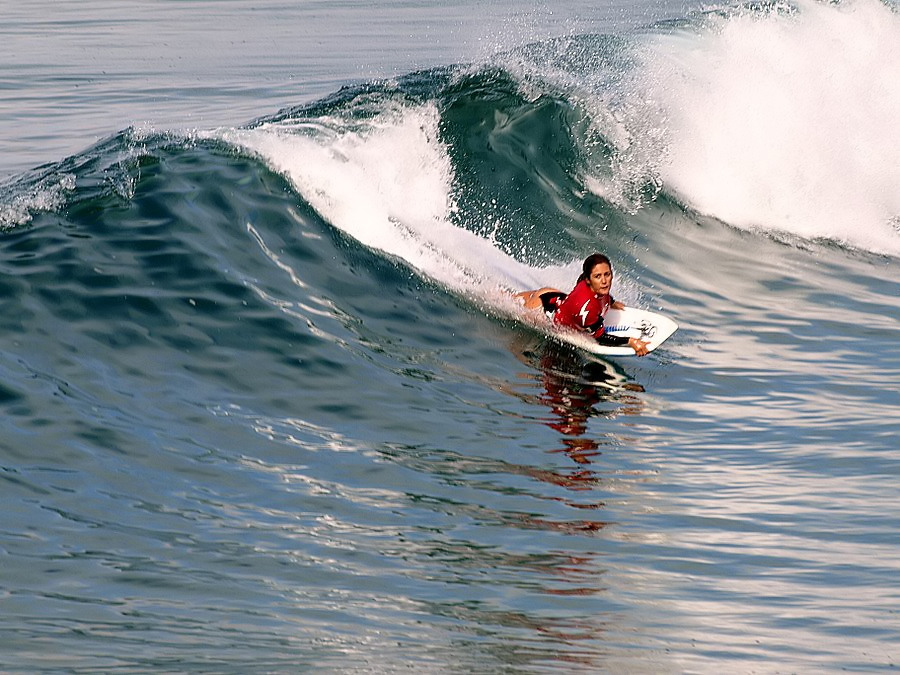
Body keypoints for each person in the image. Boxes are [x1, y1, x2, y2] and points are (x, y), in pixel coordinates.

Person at [515, 253, 650, 356]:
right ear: (588, 279)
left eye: (607, 274)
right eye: (598, 276)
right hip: (541, 310)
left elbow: (599, 293)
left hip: (554, 297)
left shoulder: (592, 285)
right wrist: (631, 341)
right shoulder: (586, 310)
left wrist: (612, 302)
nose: (604, 281)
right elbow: (600, 338)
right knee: (504, 300)